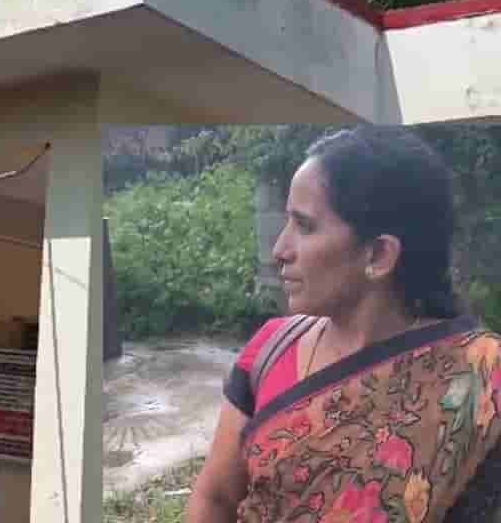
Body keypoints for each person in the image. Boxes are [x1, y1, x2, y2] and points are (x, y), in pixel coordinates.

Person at [187, 126, 501, 523]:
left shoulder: (479, 375)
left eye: (304, 226)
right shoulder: (271, 350)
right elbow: (215, 498)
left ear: (379, 254)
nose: (280, 249)